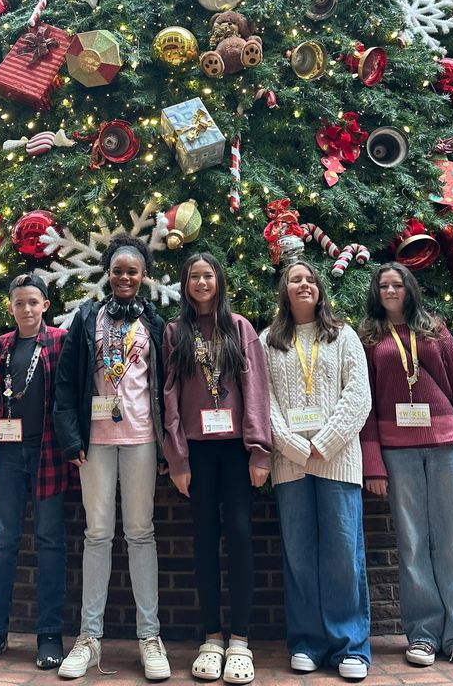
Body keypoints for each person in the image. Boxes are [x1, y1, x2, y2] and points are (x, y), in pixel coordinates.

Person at [358, 261, 453, 671]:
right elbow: (367, 405)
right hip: (398, 451)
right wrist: (373, 462)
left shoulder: (435, 330)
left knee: (451, 540)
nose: (391, 291)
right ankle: (424, 635)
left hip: (446, 445)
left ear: (410, 289)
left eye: (398, 284)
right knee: (412, 543)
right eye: (384, 286)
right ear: (376, 293)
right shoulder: (369, 338)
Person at [53, 233, 170, 681]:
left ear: (144, 276)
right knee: (97, 534)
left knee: (141, 533)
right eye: (118, 270)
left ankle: (149, 638)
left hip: (142, 440)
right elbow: (67, 384)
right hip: (95, 443)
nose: (125, 277)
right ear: (109, 273)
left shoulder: (157, 325)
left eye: (133, 271)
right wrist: (70, 437)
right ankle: (88, 638)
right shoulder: (87, 318)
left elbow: (166, 389)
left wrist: (166, 446)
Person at [163, 253, 272, 685]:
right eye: (194, 277)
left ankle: (240, 641)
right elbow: (169, 396)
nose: (202, 283)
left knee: (241, 535)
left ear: (219, 281)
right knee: (204, 538)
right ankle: (211, 637)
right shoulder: (176, 332)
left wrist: (260, 451)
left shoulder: (240, 328)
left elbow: (256, 391)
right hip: (197, 455)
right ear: (186, 285)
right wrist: (177, 458)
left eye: (208, 275)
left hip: (238, 452)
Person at [261, 260, 372, 681]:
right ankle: (306, 641)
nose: (303, 284)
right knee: (299, 554)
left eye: (309, 279)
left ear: (319, 289)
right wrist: (291, 444)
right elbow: (262, 401)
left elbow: (358, 395)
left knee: (344, 554)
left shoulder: (343, 335)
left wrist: (324, 443)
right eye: (295, 280)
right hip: (289, 463)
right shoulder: (266, 339)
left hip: (337, 459)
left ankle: (351, 647)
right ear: (284, 290)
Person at [0, 273, 69, 670]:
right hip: (6, 456)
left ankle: (49, 632)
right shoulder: (0, 348)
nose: (27, 309)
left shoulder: (58, 342)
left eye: (34, 302)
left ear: (45, 305)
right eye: (20, 303)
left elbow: (66, 399)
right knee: (4, 540)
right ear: (11, 307)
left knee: (50, 541)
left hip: (46, 455)